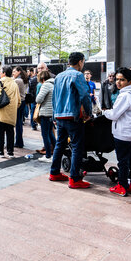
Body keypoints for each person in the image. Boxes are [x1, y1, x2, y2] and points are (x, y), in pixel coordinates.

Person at [49, 52, 93, 188]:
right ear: (80, 62)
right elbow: (85, 95)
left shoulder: (59, 76)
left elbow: (54, 97)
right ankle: (74, 178)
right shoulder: (78, 75)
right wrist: (89, 112)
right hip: (73, 116)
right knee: (76, 147)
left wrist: (54, 116)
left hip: (60, 116)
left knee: (60, 144)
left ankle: (54, 172)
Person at [103, 68, 131, 196]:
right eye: (117, 79)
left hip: (123, 133)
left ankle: (122, 185)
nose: (118, 83)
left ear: (130, 81)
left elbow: (114, 114)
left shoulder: (125, 95)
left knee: (123, 161)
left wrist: (104, 112)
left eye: (122, 80)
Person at [0, 65, 21, 158]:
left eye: (1, 72)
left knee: (0, 133)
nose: (0, 73)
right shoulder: (14, 83)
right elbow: (19, 100)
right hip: (11, 113)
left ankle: (0, 152)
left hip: (0, 112)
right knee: (10, 133)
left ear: (4, 73)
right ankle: (10, 152)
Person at [33, 70, 55, 162]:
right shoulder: (54, 84)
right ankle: (58, 153)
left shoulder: (45, 85)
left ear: (42, 79)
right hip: (52, 113)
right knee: (50, 133)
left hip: (45, 113)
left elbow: (38, 99)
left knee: (45, 134)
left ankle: (48, 155)